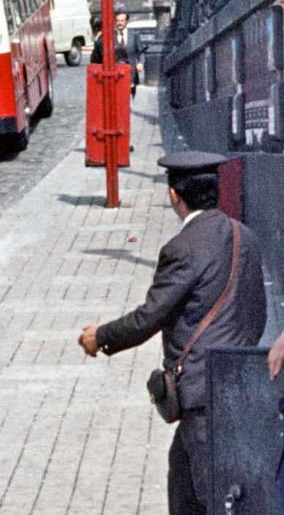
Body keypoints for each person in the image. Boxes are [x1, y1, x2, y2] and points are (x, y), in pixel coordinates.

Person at [78, 151, 266, 515]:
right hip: (239, 384)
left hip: (202, 394)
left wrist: (99, 337)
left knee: (215, 497)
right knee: (184, 482)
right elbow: (256, 314)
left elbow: (148, 318)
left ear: (173, 195)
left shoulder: (182, 248)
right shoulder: (246, 238)